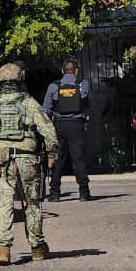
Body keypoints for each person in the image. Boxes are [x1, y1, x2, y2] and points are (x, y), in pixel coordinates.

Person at [0, 63, 59, 266]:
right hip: (27, 160)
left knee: (2, 205)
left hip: (0, 162)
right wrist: (52, 154)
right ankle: (37, 248)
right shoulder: (30, 104)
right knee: (32, 204)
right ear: (20, 80)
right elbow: (49, 132)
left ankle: (3, 250)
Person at [43, 58, 93, 202]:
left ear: (62, 71)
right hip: (77, 125)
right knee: (78, 159)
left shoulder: (53, 87)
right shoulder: (83, 85)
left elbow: (46, 109)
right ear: (76, 71)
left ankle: (54, 193)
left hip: (59, 125)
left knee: (58, 159)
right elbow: (90, 103)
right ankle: (84, 192)